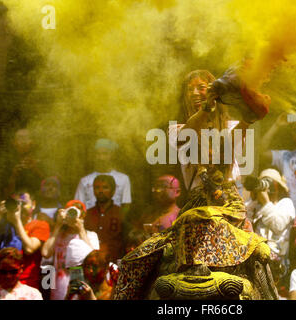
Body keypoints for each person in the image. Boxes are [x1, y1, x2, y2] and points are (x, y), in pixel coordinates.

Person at [113, 67, 271, 300]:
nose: (195, 92)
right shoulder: (177, 130)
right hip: (197, 204)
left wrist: (249, 118)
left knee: (260, 257)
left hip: (230, 203)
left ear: (215, 92)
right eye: (190, 89)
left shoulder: (231, 127)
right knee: (141, 259)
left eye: (201, 87)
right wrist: (208, 107)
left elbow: (226, 151)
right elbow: (189, 134)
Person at [0, 191, 50, 290]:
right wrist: (0, 216)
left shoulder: (40, 225)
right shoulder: (5, 225)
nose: (20, 207)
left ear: (33, 204)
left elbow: (29, 249)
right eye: (16, 203)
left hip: (26, 286)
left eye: (23, 203)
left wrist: (16, 221)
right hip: (0, 287)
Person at [41, 200, 99, 300]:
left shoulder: (91, 235)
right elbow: (45, 253)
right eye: (70, 212)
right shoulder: (58, 235)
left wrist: (81, 230)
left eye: (77, 212)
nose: (73, 215)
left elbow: (95, 261)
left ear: (83, 215)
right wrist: (58, 225)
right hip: (59, 290)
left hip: (83, 290)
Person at [245, 169, 295, 267]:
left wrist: (266, 203)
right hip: (255, 258)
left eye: (269, 182)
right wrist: (253, 198)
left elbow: (278, 226)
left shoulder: (286, 203)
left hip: (276, 261)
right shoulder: (255, 205)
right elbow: (244, 222)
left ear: (278, 186)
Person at [74, 138, 132, 211]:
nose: (101, 158)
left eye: (105, 154)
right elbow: (78, 207)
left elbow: (126, 205)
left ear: (112, 155)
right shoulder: (85, 181)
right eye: (98, 154)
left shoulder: (123, 179)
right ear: (94, 156)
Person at [84, 175, 125, 262]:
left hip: (114, 263)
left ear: (113, 191)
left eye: (105, 187)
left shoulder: (121, 213)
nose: (101, 191)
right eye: (97, 187)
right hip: (91, 264)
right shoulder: (86, 214)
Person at [4, 128, 45, 197]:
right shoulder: (8, 164)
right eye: (20, 138)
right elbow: (5, 194)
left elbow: (51, 187)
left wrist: (36, 170)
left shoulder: (41, 162)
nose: (23, 142)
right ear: (14, 143)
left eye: (26, 138)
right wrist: (13, 175)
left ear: (32, 142)